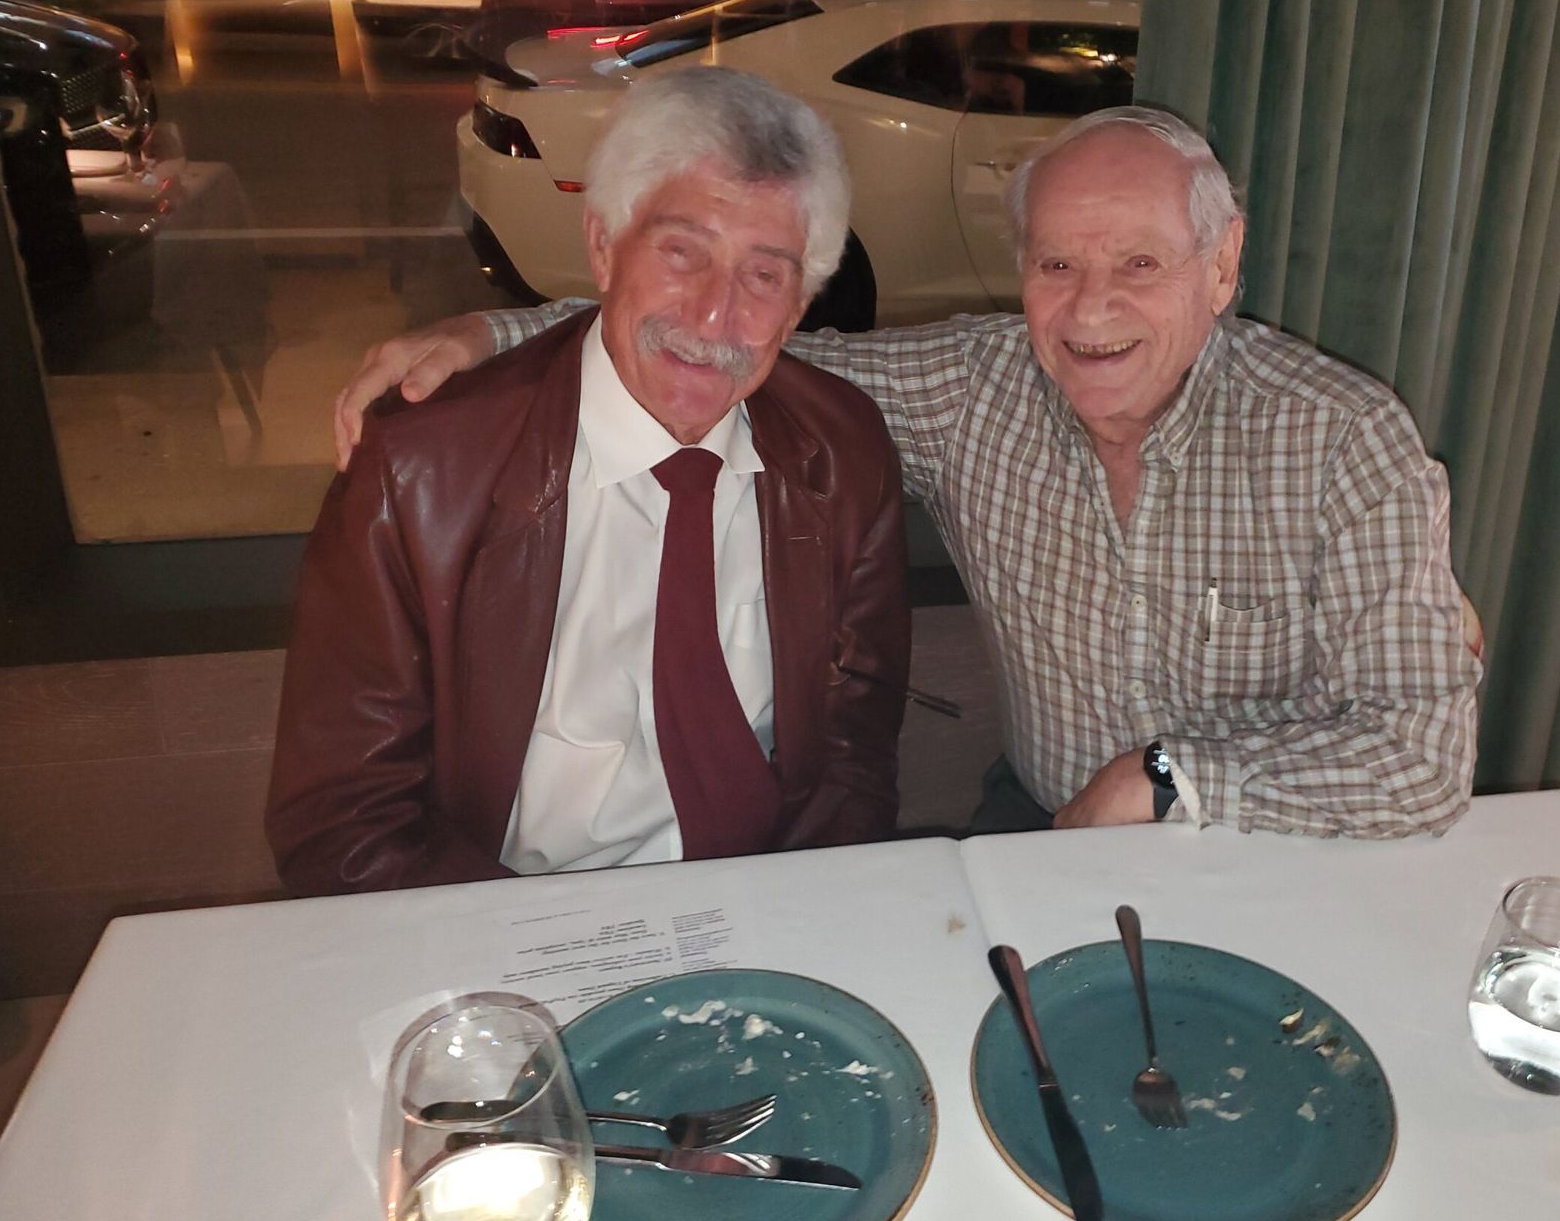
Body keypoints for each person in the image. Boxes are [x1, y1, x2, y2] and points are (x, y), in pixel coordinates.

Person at [336, 105, 1481, 840]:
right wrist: (494, 335)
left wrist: (1168, 779)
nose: (1091, 311)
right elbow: (738, 342)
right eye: (1056, 265)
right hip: (1037, 824)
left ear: (1220, 266)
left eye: (1140, 263)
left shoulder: (1342, 439)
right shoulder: (976, 390)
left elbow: (1424, 762)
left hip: (1285, 844)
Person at [269, 68, 910, 895]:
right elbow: (345, 824)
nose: (714, 316)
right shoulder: (421, 471)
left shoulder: (843, 451)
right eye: (682, 252)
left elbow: (853, 755)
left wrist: (793, 916)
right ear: (603, 246)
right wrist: (535, 949)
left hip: (765, 901)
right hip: (506, 914)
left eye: (763, 275)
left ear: (799, 304)